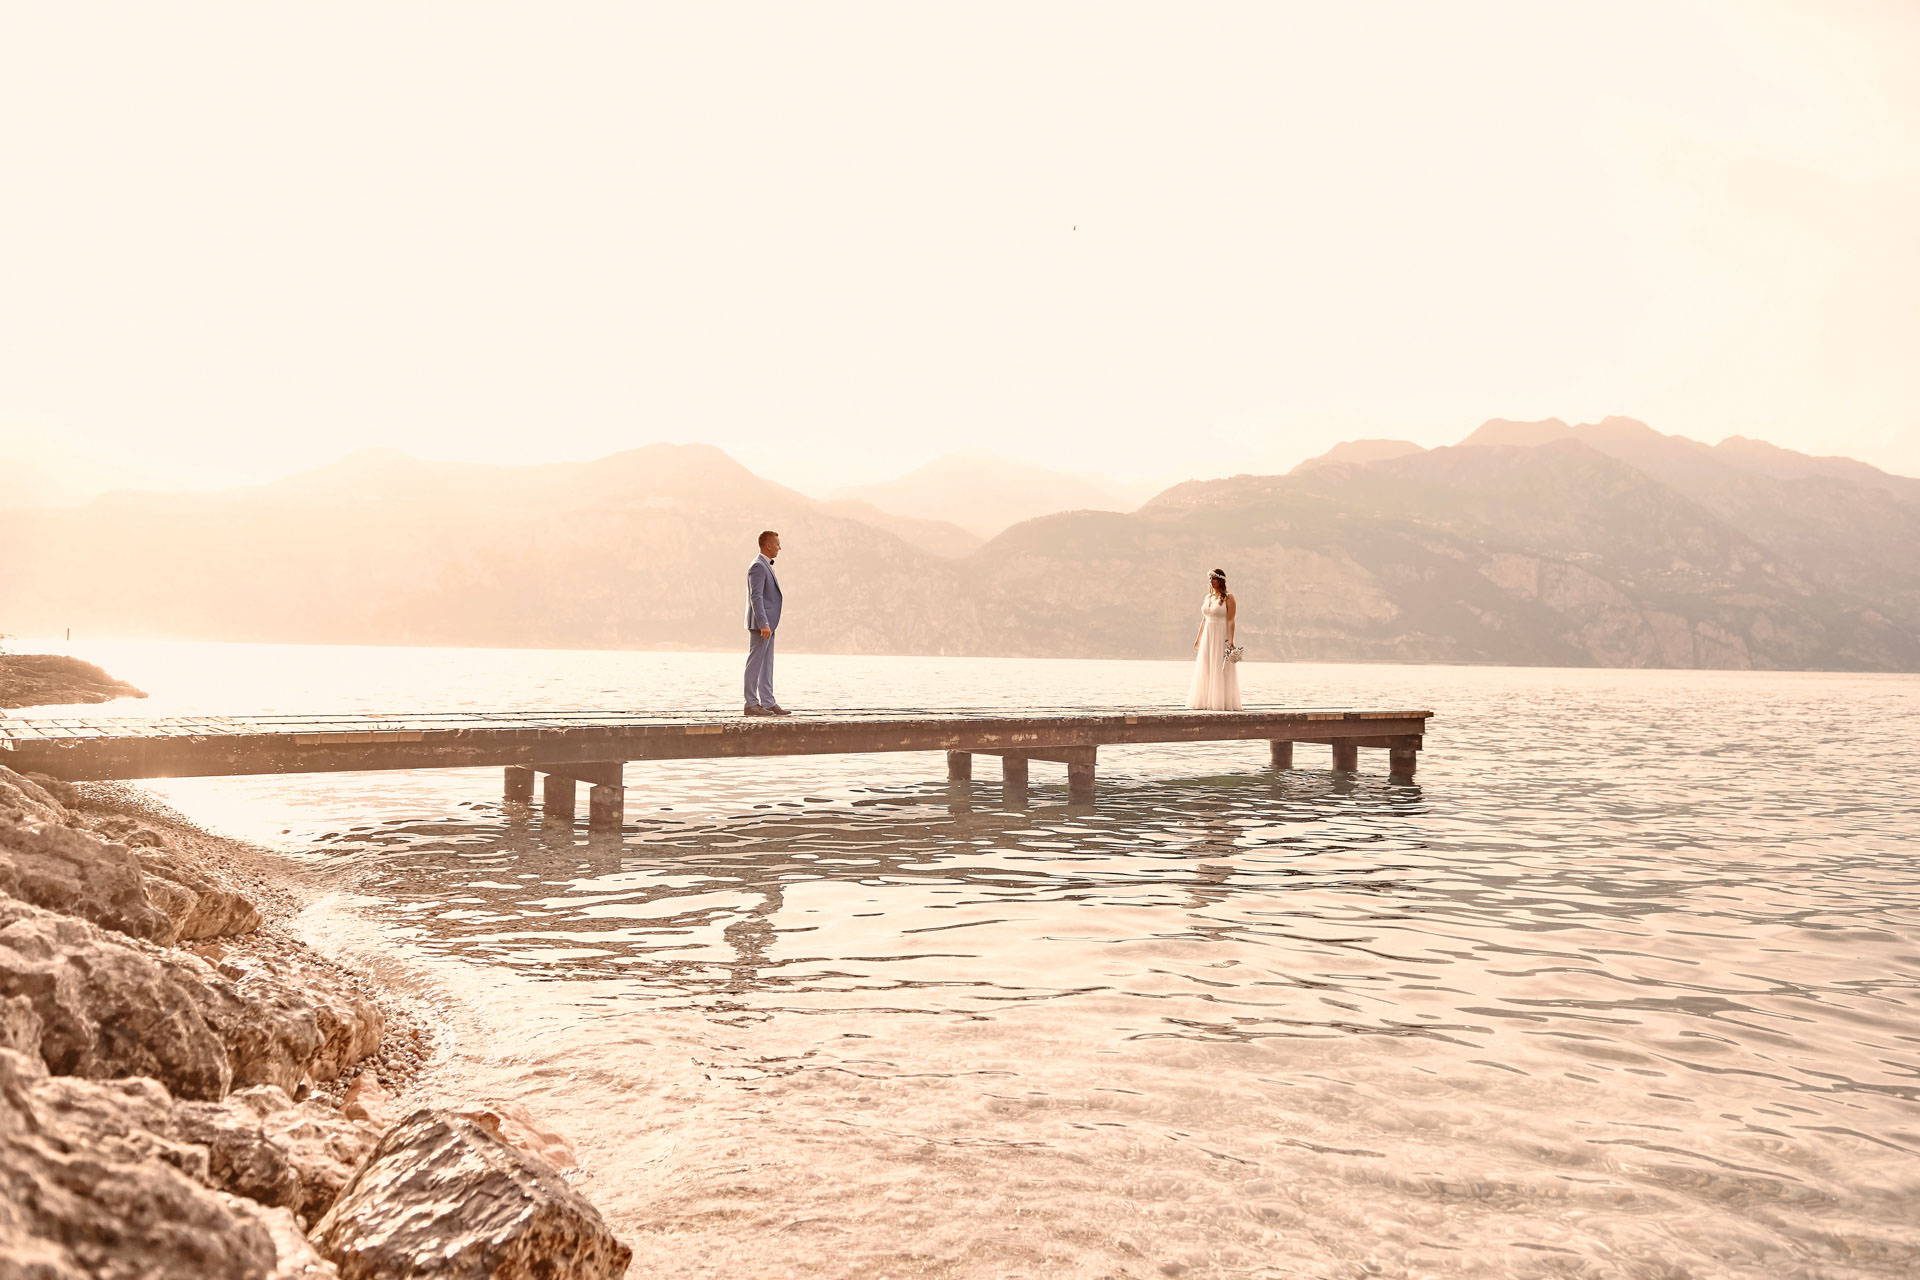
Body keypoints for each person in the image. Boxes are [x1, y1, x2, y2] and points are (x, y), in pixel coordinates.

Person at [744, 530, 789, 716]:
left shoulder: (765, 565)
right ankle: (751, 703)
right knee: (755, 663)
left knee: (767, 663)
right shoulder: (758, 566)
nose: (780, 547)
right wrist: (763, 623)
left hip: (770, 623)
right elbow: (756, 597)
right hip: (761, 624)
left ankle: (768, 702)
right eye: (777, 544)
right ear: (768, 545)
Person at [1186, 568, 1242, 711]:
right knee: (1205, 665)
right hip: (1207, 635)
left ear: (1221, 580)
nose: (1211, 581)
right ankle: (1205, 700)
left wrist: (1231, 640)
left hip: (1221, 634)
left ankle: (1220, 701)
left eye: (1214, 579)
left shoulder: (1229, 598)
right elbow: (1204, 620)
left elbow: (1231, 621)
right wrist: (1198, 639)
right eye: (1210, 579)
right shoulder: (1208, 597)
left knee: (1219, 666)